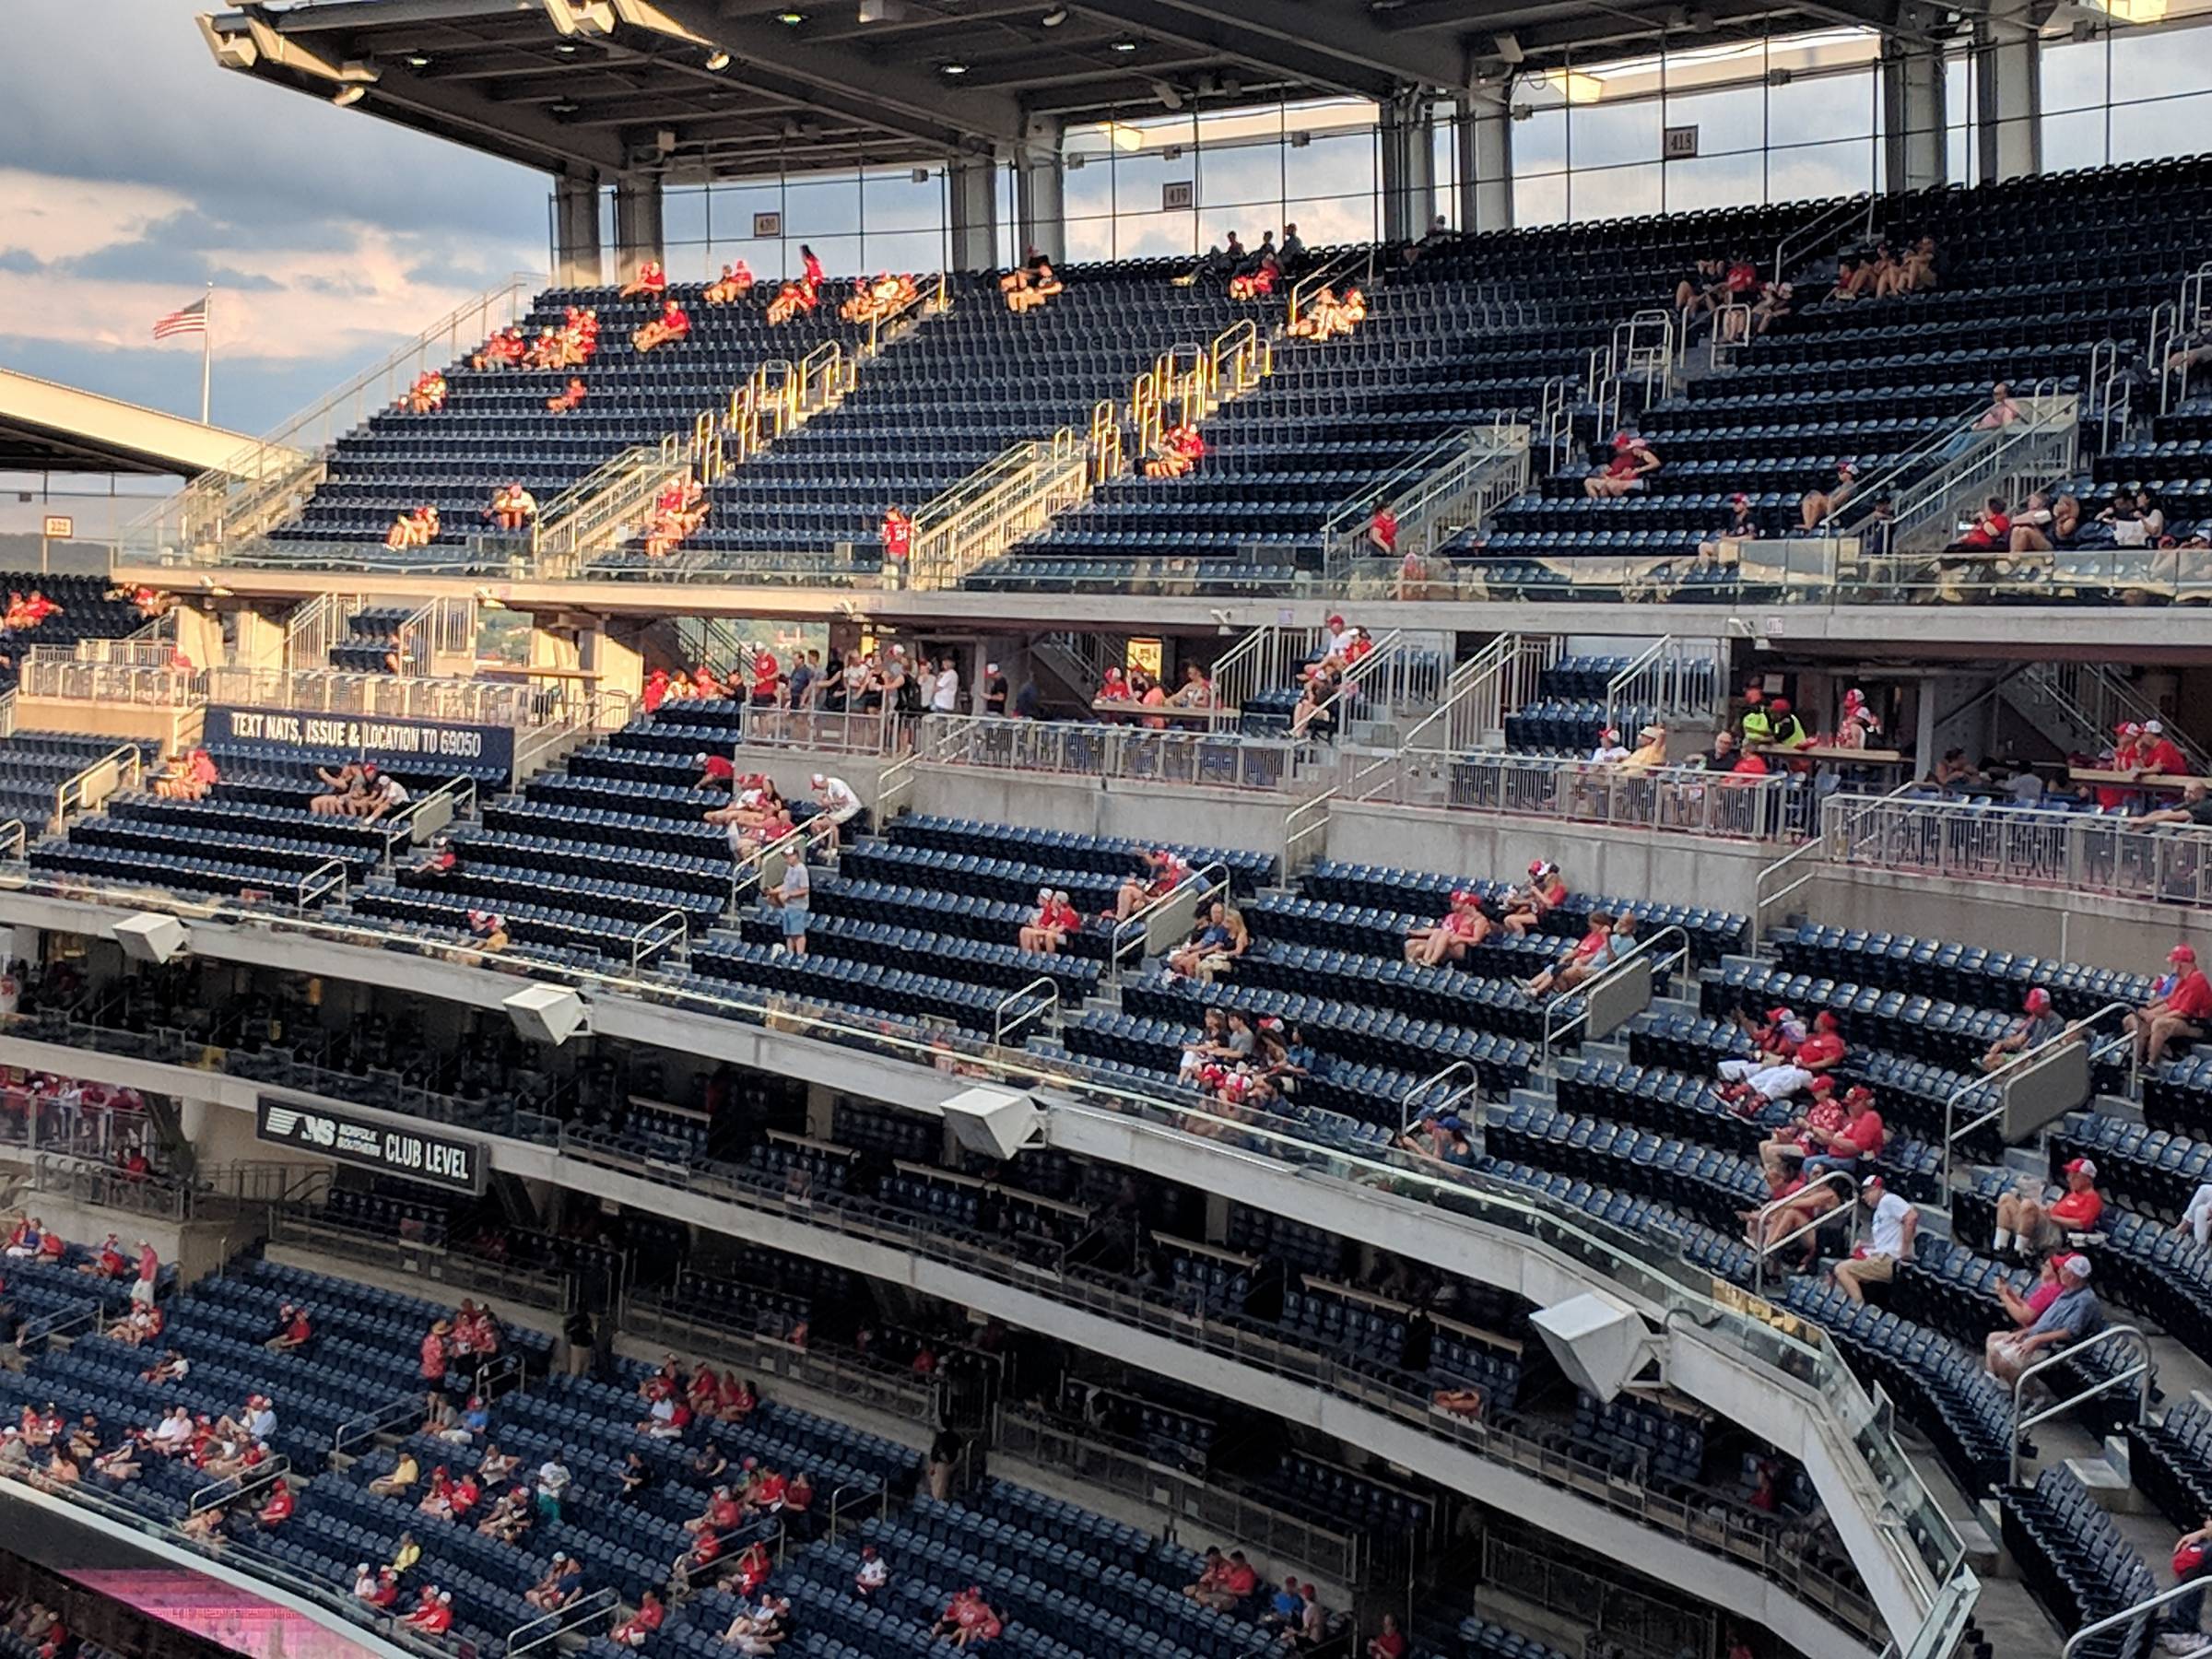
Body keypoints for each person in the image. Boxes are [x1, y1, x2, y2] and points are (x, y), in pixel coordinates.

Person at [1984, 1253, 2101, 1384]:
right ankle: (1996, 1386)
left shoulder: (2085, 1301)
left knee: (2004, 1360)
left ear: (2073, 1276)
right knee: (1995, 1347)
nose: (2060, 1272)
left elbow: (2070, 1332)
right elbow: (2045, 1321)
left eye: (2063, 1270)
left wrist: (2036, 1339)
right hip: (2035, 1336)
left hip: (2049, 1345)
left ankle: (2033, 1396)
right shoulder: (2067, 1292)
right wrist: (2024, 1332)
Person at [1993, 1158, 2105, 1258]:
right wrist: (2045, 1210)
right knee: (2006, 1198)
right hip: (2047, 1222)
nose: (2070, 1178)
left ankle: (2019, 1253)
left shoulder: (2093, 1198)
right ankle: (2000, 1247)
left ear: (2087, 1179)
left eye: (2075, 1175)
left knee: (2028, 1205)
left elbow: (2081, 1224)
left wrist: (2052, 1217)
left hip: (2057, 1232)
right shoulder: (2072, 1194)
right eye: (2070, 1175)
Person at [1830, 1175, 1918, 1302]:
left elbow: (1912, 1216)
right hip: (1881, 1257)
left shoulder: (1888, 1200)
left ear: (1876, 1188)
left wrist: (1905, 1251)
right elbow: (1885, 1241)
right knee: (1838, 1274)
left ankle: (1857, 1309)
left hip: (1889, 1260)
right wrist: (1865, 1245)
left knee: (1841, 1269)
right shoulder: (1880, 1210)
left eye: (1866, 1192)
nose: (1863, 1197)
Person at [2130, 944, 2212, 1068]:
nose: (2172, 965)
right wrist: (2150, 1014)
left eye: (2174, 962)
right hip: (2182, 1019)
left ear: (2181, 964)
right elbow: (2170, 1004)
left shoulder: (2197, 980)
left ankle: (2151, 1063)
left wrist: (2155, 1018)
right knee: (2135, 1021)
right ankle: (2136, 1060)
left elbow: (2183, 1012)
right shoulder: (2181, 979)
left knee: (2160, 1023)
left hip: (2197, 1025)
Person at [1521, 910, 1624, 1000]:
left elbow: (1595, 956)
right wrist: (1565, 957)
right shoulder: (1591, 935)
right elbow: (1578, 950)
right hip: (1574, 962)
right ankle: (1531, 985)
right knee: (1553, 967)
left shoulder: (1604, 939)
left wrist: (1577, 962)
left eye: (1593, 923)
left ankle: (1536, 990)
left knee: (1556, 970)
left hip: (1583, 966)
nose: (1590, 925)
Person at [1980, 987, 2071, 1071]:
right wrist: (2003, 1044)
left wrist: (2018, 1056)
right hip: (2024, 1055)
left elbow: (2044, 1049)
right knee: (1989, 1059)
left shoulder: (2057, 1023)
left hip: (2037, 1060)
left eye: (2037, 1008)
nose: (2033, 1011)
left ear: (2047, 1005)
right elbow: (2020, 1039)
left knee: (1999, 1063)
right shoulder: (2035, 1018)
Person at [1404, 888, 1492, 969]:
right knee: (1411, 944)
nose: (1453, 905)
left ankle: (1431, 961)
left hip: (1464, 948)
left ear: (1469, 904)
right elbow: (1441, 931)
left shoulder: (1480, 920)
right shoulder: (1457, 917)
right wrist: (1417, 933)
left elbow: (1476, 940)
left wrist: (1459, 938)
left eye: (1458, 903)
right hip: (1447, 942)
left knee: (1443, 935)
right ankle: (1413, 966)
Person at [762, 837, 810, 955]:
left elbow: (805, 889)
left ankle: (799, 955)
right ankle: (789, 955)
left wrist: (789, 895)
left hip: (798, 906)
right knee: (789, 934)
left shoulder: (801, 870)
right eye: (786, 856)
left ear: (796, 855)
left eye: (790, 856)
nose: (787, 859)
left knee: (798, 934)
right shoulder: (790, 869)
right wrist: (773, 892)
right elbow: (786, 885)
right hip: (788, 906)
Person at [1583, 433, 1661, 499]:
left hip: (1632, 480)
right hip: (1616, 479)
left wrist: (1639, 469)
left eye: (1619, 446)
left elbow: (1656, 463)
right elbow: (1614, 475)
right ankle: (1598, 505)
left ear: (1624, 445)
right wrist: (1605, 474)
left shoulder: (1635, 451)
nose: (1617, 448)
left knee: (1609, 485)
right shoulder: (1616, 458)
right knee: (1589, 482)